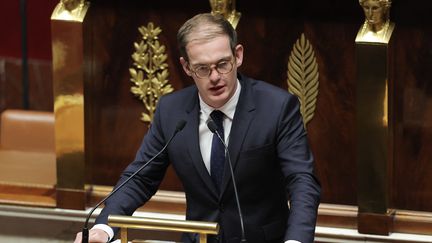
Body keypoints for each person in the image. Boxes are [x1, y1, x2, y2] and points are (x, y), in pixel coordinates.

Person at [74, 13, 321, 243]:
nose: (215, 77)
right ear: (186, 67)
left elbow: (302, 181)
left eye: (223, 64)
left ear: (238, 56)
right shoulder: (172, 111)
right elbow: (140, 178)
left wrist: (296, 240)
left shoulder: (277, 107)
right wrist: (103, 228)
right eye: (202, 68)